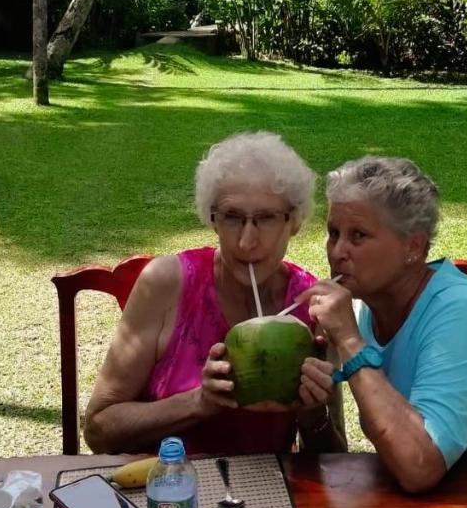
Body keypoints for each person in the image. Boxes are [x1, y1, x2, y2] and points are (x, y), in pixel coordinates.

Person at [300, 156, 467, 492]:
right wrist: (311, 409)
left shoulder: (464, 313)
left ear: (413, 246)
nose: (337, 251)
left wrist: (352, 344)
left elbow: (419, 468)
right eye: (333, 233)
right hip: (459, 499)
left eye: (358, 236)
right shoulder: (372, 309)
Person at [84, 132, 345, 456]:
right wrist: (199, 402)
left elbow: (334, 458)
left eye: (266, 219)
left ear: (294, 221)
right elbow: (98, 430)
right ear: (212, 219)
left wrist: (312, 414)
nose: (246, 242)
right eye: (232, 217)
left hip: (267, 497)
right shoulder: (167, 283)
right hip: (167, 492)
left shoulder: (310, 305)